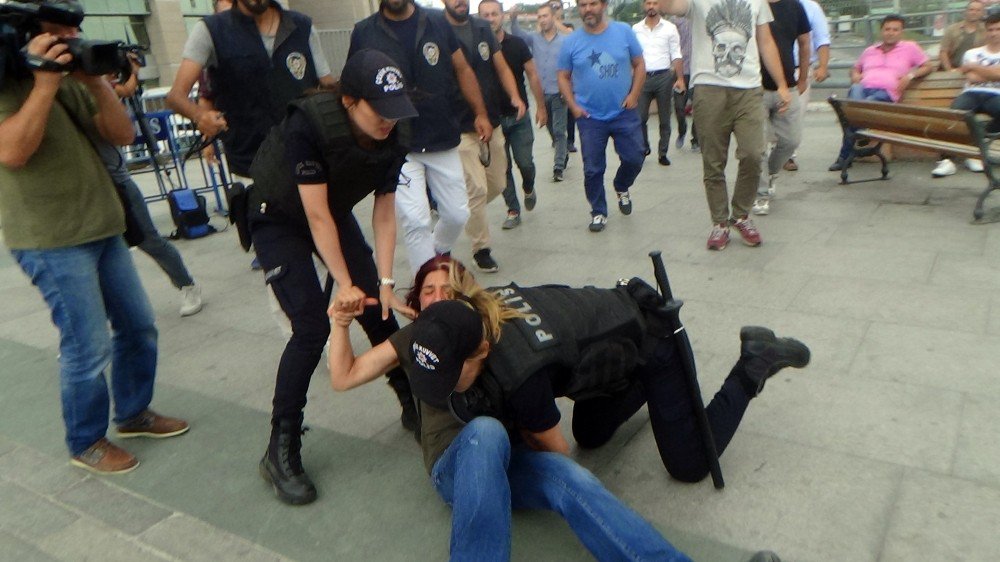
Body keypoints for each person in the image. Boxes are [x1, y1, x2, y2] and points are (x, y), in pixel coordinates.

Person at [328, 256, 809, 560]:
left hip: (517, 451)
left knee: (572, 476)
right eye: (428, 291)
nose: (436, 300)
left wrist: (575, 488)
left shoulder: (505, 356)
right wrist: (338, 323)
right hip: (455, 464)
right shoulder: (424, 333)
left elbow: (555, 448)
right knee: (488, 433)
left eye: (448, 291)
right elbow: (344, 376)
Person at [0, 0, 188, 475]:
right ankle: (86, 440)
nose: (70, 38)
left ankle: (132, 413)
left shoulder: (70, 78)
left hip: (102, 225)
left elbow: (122, 134)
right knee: (87, 345)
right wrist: (43, 83)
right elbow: (14, 151)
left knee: (138, 326)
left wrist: (97, 81)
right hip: (50, 237)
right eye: (59, 32)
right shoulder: (10, 84)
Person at [245, 49, 419, 505]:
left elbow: (384, 212)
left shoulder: (395, 129)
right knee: (311, 327)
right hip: (278, 214)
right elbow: (315, 216)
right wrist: (345, 285)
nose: (388, 121)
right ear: (349, 101)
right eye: (378, 111)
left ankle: (411, 401)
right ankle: (280, 449)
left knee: (378, 311)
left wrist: (383, 282)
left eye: (394, 110)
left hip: (331, 210)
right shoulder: (310, 123)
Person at [349, 0, 490, 275]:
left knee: (457, 213)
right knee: (416, 220)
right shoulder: (364, 32)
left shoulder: (438, 22)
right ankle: (425, 289)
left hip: (441, 134)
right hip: (396, 139)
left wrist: (480, 112)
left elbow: (462, 69)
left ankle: (438, 250)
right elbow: (354, 83)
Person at [659, 0, 792, 251]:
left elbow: (765, 42)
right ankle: (720, 222)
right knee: (713, 161)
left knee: (754, 154)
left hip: (750, 90)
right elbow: (667, 6)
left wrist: (782, 84)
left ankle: (741, 215)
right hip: (710, 89)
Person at [166, 0, 334, 180]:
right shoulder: (211, 30)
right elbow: (175, 97)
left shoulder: (302, 26)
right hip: (250, 167)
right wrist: (200, 115)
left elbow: (328, 87)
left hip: (309, 161)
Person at [100, 56, 204, 317]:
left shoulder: (102, 91)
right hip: (85, 190)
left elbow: (124, 94)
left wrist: (131, 72)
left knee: (149, 241)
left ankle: (186, 285)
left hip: (117, 183)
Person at [441, 0, 526, 273]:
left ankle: (458, 210)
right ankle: (482, 248)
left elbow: (501, 67)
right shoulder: (437, 30)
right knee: (476, 190)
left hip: (492, 121)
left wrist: (514, 95)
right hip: (459, 126)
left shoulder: (482, 29)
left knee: (498, 183)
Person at [558, 0, 646, 233]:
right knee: (593, 168)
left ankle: (621, 185)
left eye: (593, 3)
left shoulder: (624, 32)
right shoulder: (571, 42)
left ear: (604, 5)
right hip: (589, 117)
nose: (588, 9)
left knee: (635, 157)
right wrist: (574, 106)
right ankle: (598, 211)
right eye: (583, 4)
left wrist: (634, 95)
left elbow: (639, 64)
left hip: (623, 112)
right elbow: (563, 76)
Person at [829, 15, 935, 172]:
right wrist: (855, 75)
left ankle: (844, 157)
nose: (890, 33)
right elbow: (856, 68)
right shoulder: (870, 50)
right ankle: (861, 130)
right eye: (887, 29)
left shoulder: (910, 48)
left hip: (886, 94)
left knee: (856, 112)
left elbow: (928, 66)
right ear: (881, 31)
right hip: (863, 90)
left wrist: (910, 76)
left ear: (901, 32)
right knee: (856, 92)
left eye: (895, 29)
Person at [478, 0, 548, 230]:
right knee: (502, 168)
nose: (490, 19)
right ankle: (513, 209)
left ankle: (529, 187)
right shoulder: (474, 48)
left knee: (525, 163)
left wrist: (541, 106)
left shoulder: (517, 44)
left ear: (503, 16)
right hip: (493, 121)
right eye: (485, 15)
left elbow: (533, 76)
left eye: (494, 14)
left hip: (518, 117)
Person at [750, 0, 810, 216]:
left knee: (791, 140)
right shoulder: (752, 5)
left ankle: (771, 171)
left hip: (788, 86)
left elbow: (804, 43)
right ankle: (761, 194)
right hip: (754, 88)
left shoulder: (794, 6)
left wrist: (802, 78)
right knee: (757, 146)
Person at [931, 13, 1000, 178]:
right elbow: (972, 78)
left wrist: (975, 67)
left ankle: (976, 147)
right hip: (972, 93)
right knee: (953, 115)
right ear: (986, 31)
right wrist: (990, 73)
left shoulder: (973, 59)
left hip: (996, 94)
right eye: (990, 29)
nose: (994, 33)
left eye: (998, 29)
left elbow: (996, 75)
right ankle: (946, 160)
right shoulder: (972, 52)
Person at [509, 3, 569, 182]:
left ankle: (558, 166)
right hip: (542, 94)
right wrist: (513, 18)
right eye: (540, 17)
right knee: (551, 128)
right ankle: (562, 152)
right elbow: (518, 35)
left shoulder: (564, 41)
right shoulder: (534, 39)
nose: (542, 20)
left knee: (559, 130)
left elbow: (571, 66)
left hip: (559, 92)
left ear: (553, 18)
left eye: (545, 16)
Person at [633, 0, 686, 166]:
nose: (651, 6)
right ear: (644, 6)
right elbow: (631, 55)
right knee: (640, 117)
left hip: (664, 76)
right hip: (643, 77)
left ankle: (663, 152)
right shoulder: (636, 29)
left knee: (665, 118)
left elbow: (676, 54)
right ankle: (644, 147)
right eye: (648, 3)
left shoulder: (669, 28)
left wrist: (680, 79)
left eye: (655, 3)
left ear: (660, 6)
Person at [782, 0, 830, 172]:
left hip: (798, 69)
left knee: (795, 114)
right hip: (768, 70)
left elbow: (822, 38)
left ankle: (788, 154)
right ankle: (768, 152)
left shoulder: (810, 7)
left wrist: (822, 66)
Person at [670, 14, 696, 151]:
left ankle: (696, 139)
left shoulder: (699, 17)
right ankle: (682, 131)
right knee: (679, 107)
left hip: (697, 71)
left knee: (698, 108)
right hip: (680, 71)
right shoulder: (675, 21)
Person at [940, 1, 986, 72]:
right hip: (953, 68)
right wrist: (949, 70)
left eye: (978, 10)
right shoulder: (952, 29)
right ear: (965, 12)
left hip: (976, 70)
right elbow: (943, 52)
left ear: (983, 13)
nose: (974, 12)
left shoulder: (987, 30)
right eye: (971, 10)